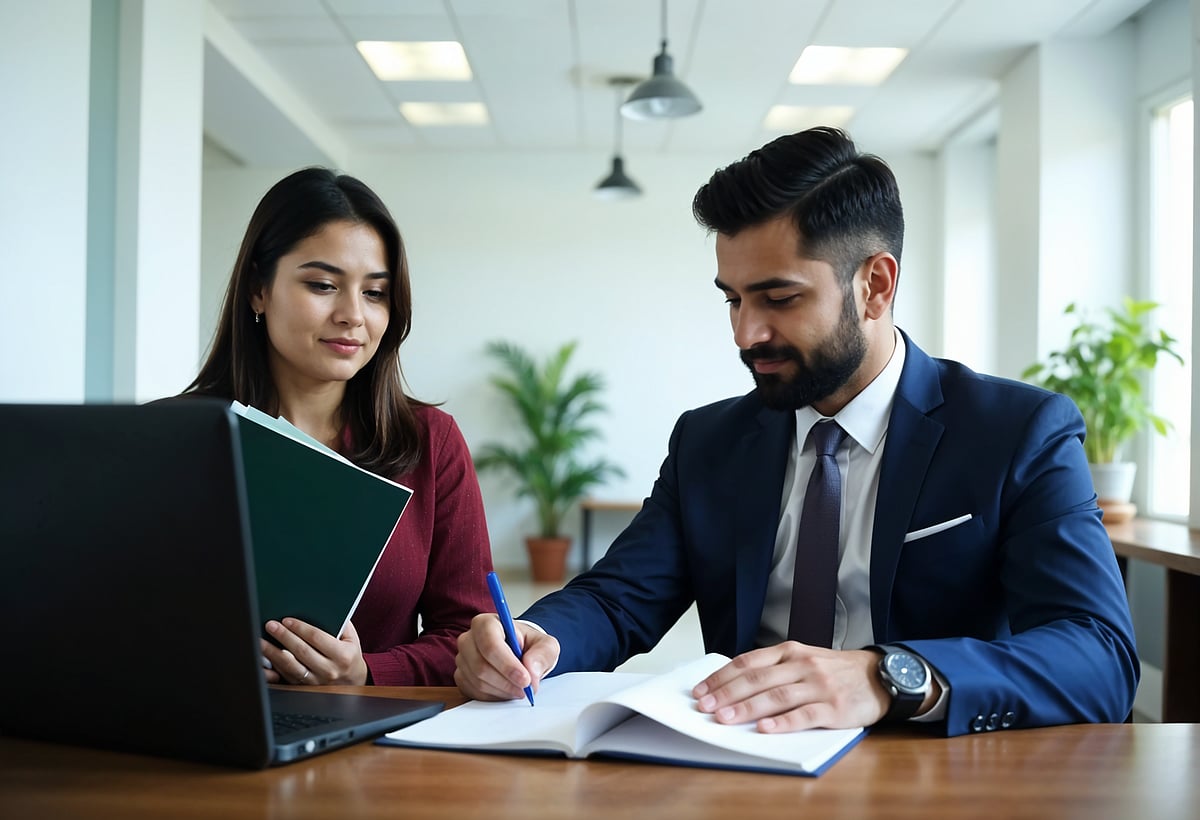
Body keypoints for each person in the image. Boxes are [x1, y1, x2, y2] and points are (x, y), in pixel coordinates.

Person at [454, 127, 1139, 736]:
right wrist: (538, 638)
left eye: (779, 298)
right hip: (743, 762)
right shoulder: (709, 443)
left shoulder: (1016, 432)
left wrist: (888, 677)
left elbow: (1098, 654)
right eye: (733, 298)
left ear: (875, 285)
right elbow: (617, 598)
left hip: (930, 772)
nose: (746, 334)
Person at [182, 167, 493, 686]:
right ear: (259, 289)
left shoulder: (429, 441)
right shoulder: (179, 436)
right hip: (191, 729)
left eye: (375, 293)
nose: (353, 315)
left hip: (371, 742)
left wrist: (367, 671)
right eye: (323, 285)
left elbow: (468, 635)